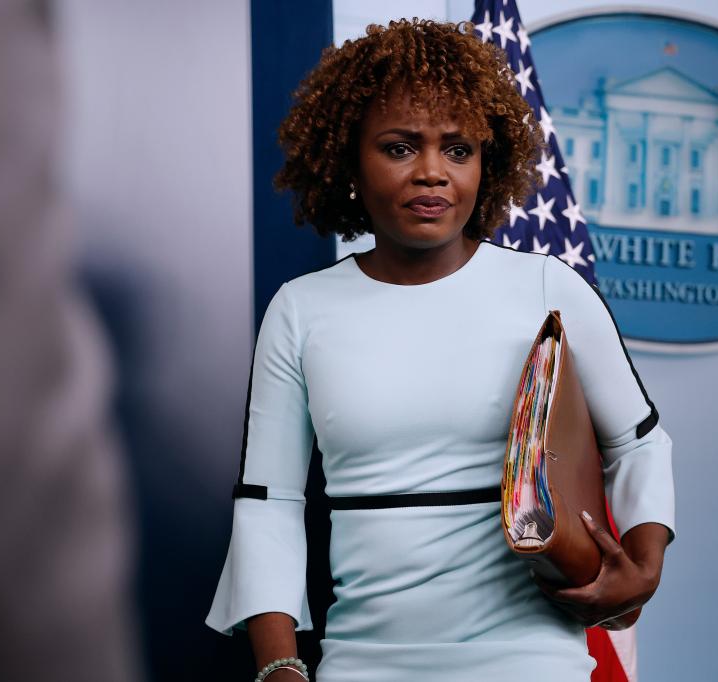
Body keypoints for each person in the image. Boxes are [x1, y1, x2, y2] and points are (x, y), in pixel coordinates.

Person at [207, 19, 674, 682]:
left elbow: (640, 441)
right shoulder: (300, 310)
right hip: (363, 665)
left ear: (489, 161)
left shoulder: (547, 287)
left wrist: (645, 567)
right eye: (400, 148)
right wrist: (279, 663)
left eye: (458, 150)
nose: (432, 172)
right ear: (348, 159)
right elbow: (269, 501)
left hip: (533, 663)